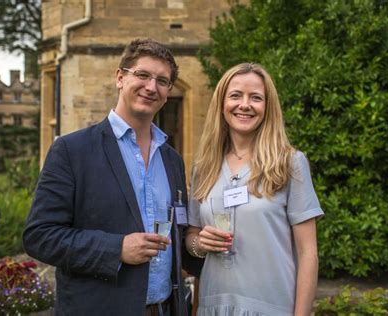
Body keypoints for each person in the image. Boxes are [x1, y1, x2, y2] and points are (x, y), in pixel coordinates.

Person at [23, 38, 190, 316]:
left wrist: (198, 241)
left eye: (162, 81)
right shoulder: (72, 150)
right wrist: (117, 249)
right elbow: (39, 236)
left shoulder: (172, 159)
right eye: (143, 75)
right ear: (120, 78)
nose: (151, 87)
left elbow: (179, 232)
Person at [185, 63, 324, 316]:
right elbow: (192, 237)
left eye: (256, 98)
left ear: (267, 107)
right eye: (236, 95)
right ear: (221, 104)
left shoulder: (290, 163)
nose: (245, 105)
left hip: (272, 306)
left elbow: (308, 253)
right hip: (214, 305)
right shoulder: (203, 167)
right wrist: (199, 244)